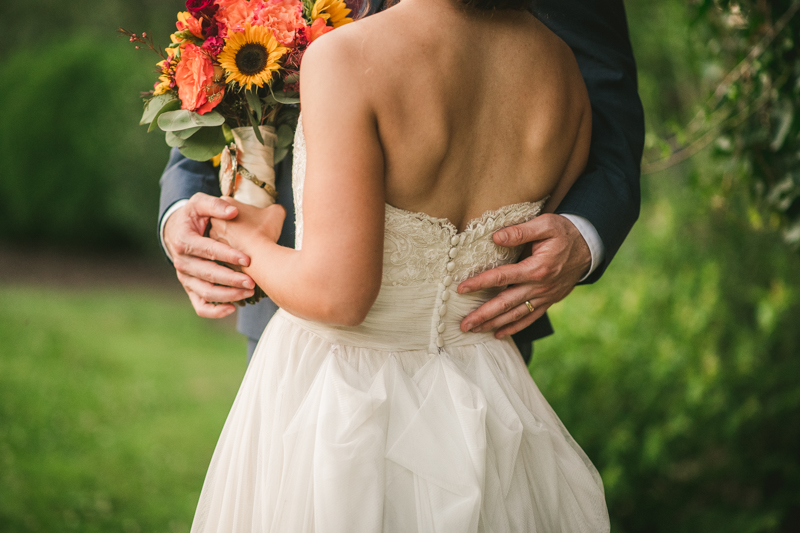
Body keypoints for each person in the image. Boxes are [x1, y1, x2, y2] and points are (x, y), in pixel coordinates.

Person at [182, 0, 639, 530]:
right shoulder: (562, 69)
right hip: (488, 392)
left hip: (341, 394)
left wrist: (247, 241)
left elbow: (339, 296)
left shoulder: (346, 59)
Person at [158, 0, 644, 366]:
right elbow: (212, 62)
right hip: (478, 364)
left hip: (359, 338)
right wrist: (180, 209)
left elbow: (612, 123)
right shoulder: (556, 67)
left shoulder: (340, 60)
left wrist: (237, 234)